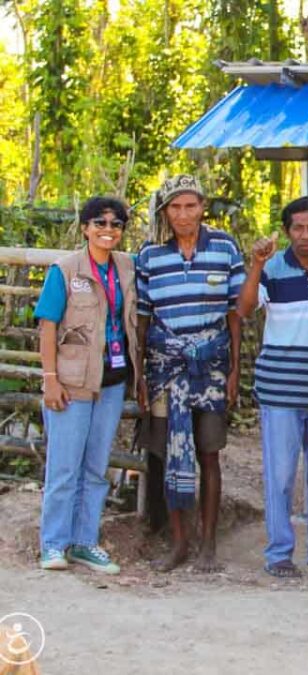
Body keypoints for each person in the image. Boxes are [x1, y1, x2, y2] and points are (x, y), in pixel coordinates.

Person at [236, 197, 308, 578]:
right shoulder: (271, 267)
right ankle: (279, 554)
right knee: (281, 476)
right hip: (279, 392)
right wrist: (256, 265)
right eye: (298, 228)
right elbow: (244, 308)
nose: (306, 235)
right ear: (288, 231)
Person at [136, 175, 244, 573]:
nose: (183, 214)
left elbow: (235, 314)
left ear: (203, 207)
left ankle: (209, 544)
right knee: (168, 454)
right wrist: (141, 377)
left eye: (190, 205)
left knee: (209, 453)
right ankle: (179, 543)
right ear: (165, 211)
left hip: (211, 366)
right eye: (175, 207)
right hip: (165, 370)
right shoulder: (150, 255)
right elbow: (144, 321)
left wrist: (234, 369)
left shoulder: (225, 248)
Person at [35, 197, 139, 575]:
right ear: (85, 228)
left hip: (111, 382)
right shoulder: (64, 271)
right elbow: (48, 325)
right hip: (72, 381)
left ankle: (84, 542)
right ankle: (53, 544)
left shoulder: (126, 268)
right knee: (64, 467)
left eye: (116, 224)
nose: (108, 230)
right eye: (100, 223)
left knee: (95, 468)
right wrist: (50, 380)